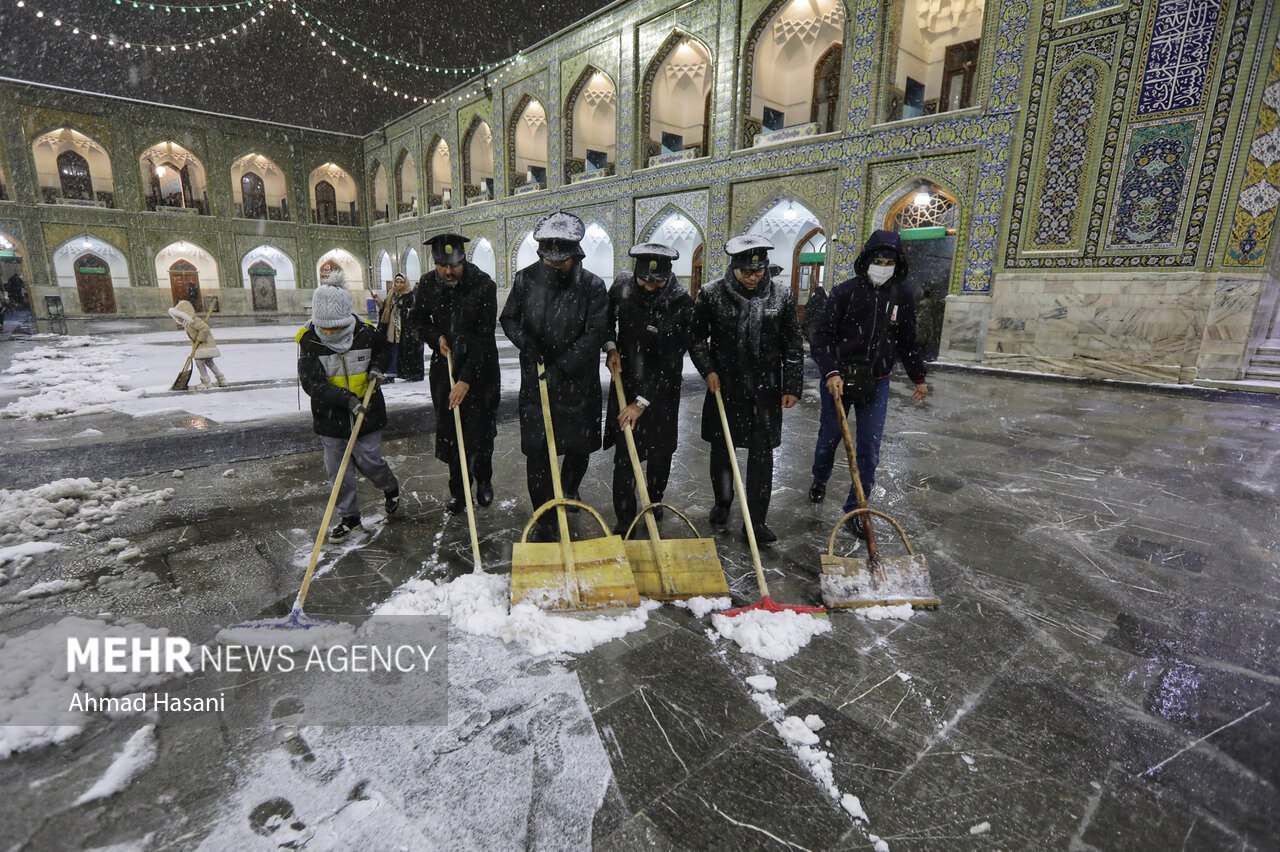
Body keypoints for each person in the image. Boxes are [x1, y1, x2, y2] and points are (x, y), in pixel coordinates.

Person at [499, 211, 610, 542]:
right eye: (549, 260)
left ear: (576, 255)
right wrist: (527, 344)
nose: (555, 266)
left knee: (578, 446)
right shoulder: (524, 280)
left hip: (578, 382)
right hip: (538, 380)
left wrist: (567, 363)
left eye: (561, 261)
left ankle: (570, 490)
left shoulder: (592, 285)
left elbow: (597, 330)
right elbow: (509, 319)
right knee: (539, 450)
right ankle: (545, 509)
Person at [808, 229, 928, 531]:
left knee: (868, 447)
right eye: (879, 260)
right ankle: (819, 477)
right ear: (867, 261)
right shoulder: (845, 292)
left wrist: (918, 377)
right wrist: (831, 371)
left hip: (877, 379)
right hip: (840, 379)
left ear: (897, 265)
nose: (883, 266)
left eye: (889, 262)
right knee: (830, 439)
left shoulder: (900, 296)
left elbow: (907, 340)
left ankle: (857, 507)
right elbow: (821, 336)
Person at [689, 234, 803, 543]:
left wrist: (791, 384)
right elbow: (696, 338)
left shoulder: (781, 296)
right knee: (723, 448)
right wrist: (709, 369)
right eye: (746, 271)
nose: (753, 277)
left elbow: (792, 343)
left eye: (759, 270)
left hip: (765, 390)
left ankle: (757, 519)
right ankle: (722, 502)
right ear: (734, 267)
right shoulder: (711, 294)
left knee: (762, 455)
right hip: (724, 387)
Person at [297, 284, 401, 542]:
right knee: (339, 471)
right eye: (324, 327)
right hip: (330, 417)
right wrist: (345, 399)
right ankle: (349, 517)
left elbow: (384, 351)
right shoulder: (309, 340)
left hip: (367, 412)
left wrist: (377, 367)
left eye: (336, 328)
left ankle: (390, 486)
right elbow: (312, 382)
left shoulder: (366, 333)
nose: (329, 333)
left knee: (370, 462)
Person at [603, 242, 692, 535]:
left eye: (658, 283)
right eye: (645, 281)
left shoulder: (680, 302)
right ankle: (624, 516)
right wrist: (611, 346)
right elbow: (604, 320)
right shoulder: (622, 287)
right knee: (625, 455)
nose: (650, 288)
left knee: (660, 452)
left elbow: (670, 362)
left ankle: (654, 502)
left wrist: (641, 403)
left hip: (662, 389)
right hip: (626, 379)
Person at [412, 232, 501, 512]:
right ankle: (459, 492)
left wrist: (466, 379)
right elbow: (417, 319)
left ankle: (483, 480)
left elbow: (484, 337)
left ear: (463, 259)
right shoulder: (427, 284)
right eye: (442, 266)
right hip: (444, 367)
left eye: (453, 265)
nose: (448, 271)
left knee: (480, 432)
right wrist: (436, 338)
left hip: (481, 370)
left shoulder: (483, 285)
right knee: (452, 433)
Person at [167, 299, 226, 389]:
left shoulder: (194, 321)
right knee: (209, 363)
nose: (178, 318)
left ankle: (206, 382)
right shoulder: (187, 323)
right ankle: (221, 380)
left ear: (185, 313)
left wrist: (199, 339)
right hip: (202, 345)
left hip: (205, 344)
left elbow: (205, 328)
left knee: (199, 362)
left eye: (179, 315)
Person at [374, 273, 414, 382]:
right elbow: (385, 308)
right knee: (391, 351)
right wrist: (378, 301)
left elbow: (412, 311)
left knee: (401, 351)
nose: (399, 284)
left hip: (403, 329)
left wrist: (403, 308)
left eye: (401, 282)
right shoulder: (392, 293)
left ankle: (405, 373)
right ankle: (391, 375)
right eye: (397, 282)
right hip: (391, 328)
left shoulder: (410, 295)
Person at [805, 282, 828, 348]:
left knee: (812, 334)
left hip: (812, 320)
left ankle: (813, 345)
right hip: (821, 321)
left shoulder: (813, 299)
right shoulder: (825, 299)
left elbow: (807, 307)